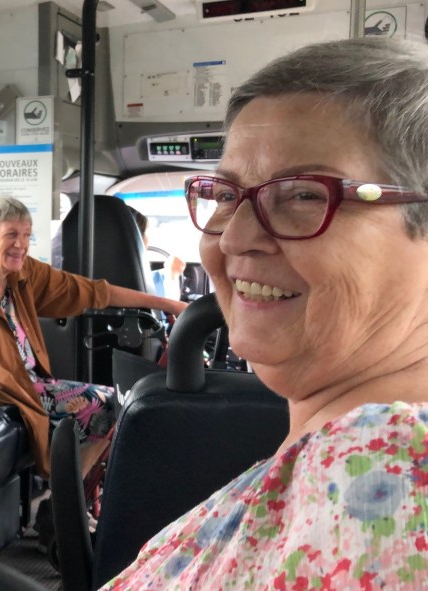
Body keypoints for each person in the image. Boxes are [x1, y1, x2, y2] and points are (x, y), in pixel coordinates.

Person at [104, 37, 428, 589]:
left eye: (303, 194)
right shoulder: (338, 455)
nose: (235, 238)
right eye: (225, 193)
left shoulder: (391, 482)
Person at [0, 196, 187, 478]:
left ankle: (70, 493)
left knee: (121, 401)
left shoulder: (20, 274)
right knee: (112, 404)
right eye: (11, 235)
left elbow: (94, 291)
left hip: (27, 383)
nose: (21, 244)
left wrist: (171, 305)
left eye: (26, 235)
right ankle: (63, 502)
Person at [129, 207, 187, 302]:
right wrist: (172, 278)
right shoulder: (140, 282)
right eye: (146, 234)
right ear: (137, 239)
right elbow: (167, 313)